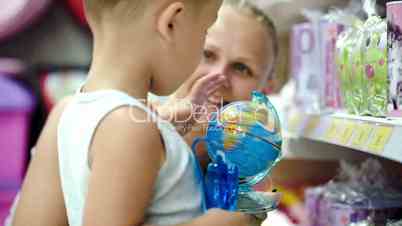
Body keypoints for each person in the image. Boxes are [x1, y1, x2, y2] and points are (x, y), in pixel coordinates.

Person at [9, 1, 263, 226]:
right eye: (204, 33)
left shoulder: (65, 112)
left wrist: (161, 131)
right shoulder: (131, 130)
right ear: (171, 23)